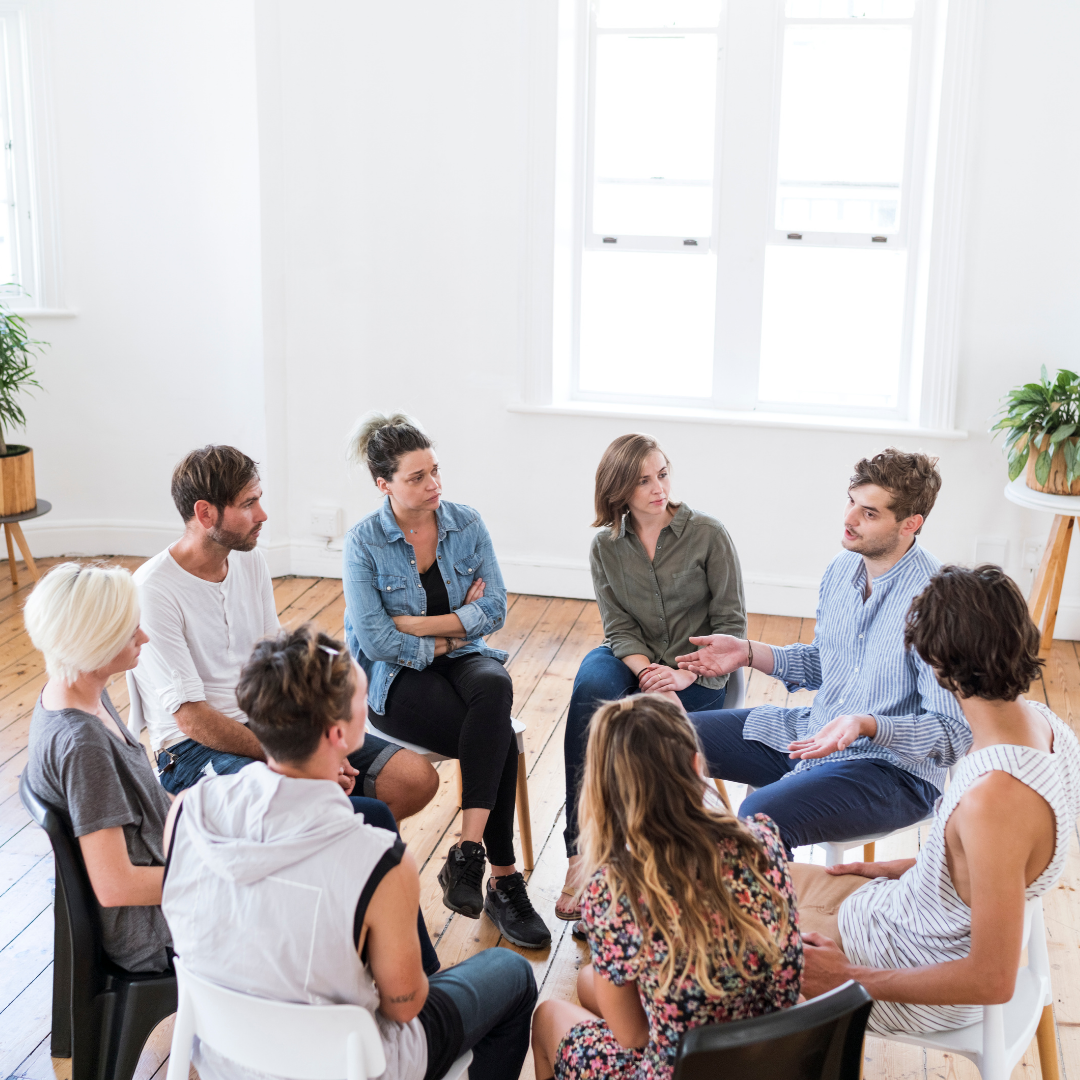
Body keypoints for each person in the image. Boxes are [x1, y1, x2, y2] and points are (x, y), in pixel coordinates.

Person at [161, 624, 538, 1080]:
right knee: (511, 973)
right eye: (360, 697)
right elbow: (404, 1006)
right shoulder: (377, 859)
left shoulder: (187, 812)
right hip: (346, 1064)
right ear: (338, 733)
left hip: (226, 1056)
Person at [794, 564, 1080, 1036]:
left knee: (710, 937)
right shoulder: (1047, 726)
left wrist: (847, 978)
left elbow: (991, 980)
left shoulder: (995, 800)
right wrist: (915, 865)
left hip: (905, 977)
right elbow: (998, 867)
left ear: (937, 666)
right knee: (737, 880)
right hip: (897, 914)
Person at [676, 448, 971, 856]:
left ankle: (754, 915)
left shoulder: (939, 602)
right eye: (851, 501)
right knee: (657, 738)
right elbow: (826, 663)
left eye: (869, 513)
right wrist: (746, 652)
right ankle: (651, 890)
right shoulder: (841, 569)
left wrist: (868, 724)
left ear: (910, 524)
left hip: (891, 773)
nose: (849, 519)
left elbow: (953, 735)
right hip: (812, 735)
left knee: (759, 814)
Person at [132, 444, 437, 821]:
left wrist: (316, 737)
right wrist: (301, 758)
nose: (262, 515)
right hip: (193, 748)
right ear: (205, 513)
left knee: (414, 778)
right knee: (312, 810)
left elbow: (274, 659)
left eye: (259, 499)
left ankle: (332, 866)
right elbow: (192, 718)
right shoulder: (153, 588)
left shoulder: (249, 558)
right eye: (248, 504)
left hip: (267, 722)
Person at [342, 413, 550, 949]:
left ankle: (467, 851)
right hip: (394, 679)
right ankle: (502, 880)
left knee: (494, 689)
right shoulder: (363, 542)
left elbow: (497, 607)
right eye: (417, 477)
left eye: (435, 471)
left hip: (461, 659)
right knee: (494, 733)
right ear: (383, 484)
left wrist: (423, 628)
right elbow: (379, 641)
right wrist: (454, 629)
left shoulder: (465, 522)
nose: (434, 485)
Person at [531, 695, 801, 1080]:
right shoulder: (763, 840)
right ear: (696, 765)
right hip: (772, 1057)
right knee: (589, 980)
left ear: (604, 791)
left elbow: (633, 1034)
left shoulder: (613, 893)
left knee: (548, 1017)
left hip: (681, 1069)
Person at [557, 433, 746, 920]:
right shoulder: (605, 547)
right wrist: (647, 673)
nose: (657, 488)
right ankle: (581, 855)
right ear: (619, 488)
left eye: (661, 474)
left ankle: (645, 871)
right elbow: (617, 627)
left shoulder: (708, 535)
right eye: (642, 481)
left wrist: (683, 676)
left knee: (647, 735)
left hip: (698, 671)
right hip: (631, 657)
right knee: (591, 693)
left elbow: (730, 626)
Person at [24, 562, 172, 973]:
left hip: (173, 868)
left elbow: (147, 804)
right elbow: (115, 885)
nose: (145, 636)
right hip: (158, 931)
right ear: (95, 644)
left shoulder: (81, 691)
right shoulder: (82, 744)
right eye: (131, 632)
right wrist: (217, 879)